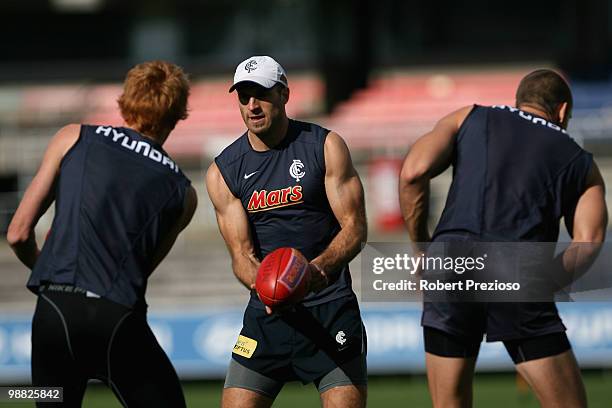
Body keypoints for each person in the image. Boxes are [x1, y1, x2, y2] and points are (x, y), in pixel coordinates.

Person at [399, 69, 607, 408]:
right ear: (563, 111)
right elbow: (589, 239)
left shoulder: (470, 116)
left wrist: (422, 248)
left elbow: (413, 172)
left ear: (519, 102)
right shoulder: (579, 161)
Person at [7, 60, 197, 408]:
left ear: (125, 101)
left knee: (41, 396)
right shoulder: (184, 193)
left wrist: (47, 270)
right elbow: (141, 270)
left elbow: (18, 233)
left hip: (54, 311)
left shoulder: (73, 137)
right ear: (178, 113)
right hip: (116, 319)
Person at [206, 55, 368, 408]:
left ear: (283, 94)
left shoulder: (324, 146)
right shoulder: (224, 171)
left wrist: (314, 272)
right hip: (267, 316)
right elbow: (241, 256)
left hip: (330, 309)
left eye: (261, 94)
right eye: (243, 96)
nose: (252, 105)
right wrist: (270, 289)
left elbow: (355, 229)